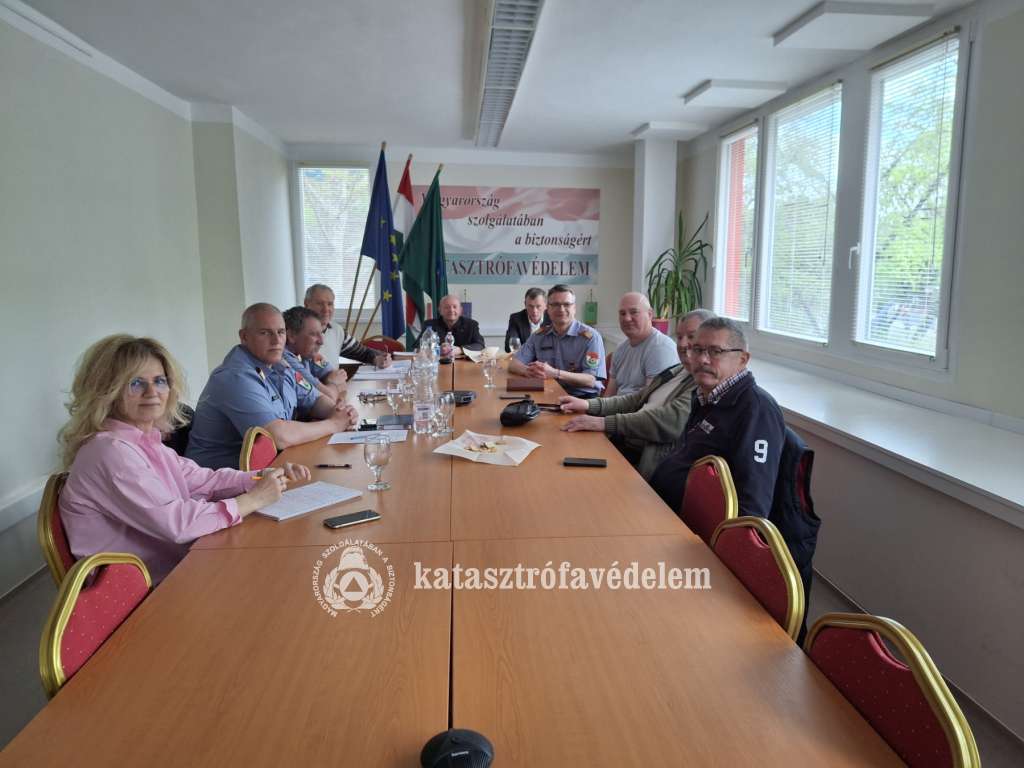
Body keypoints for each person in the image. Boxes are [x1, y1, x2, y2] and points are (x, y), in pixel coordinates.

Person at [58, 335, 310, 584]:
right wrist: (253, 499)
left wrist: (259, 477)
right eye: (136, 383)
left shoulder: (143, 441)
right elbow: (176, 524)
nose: (152, 392)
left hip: (177, 568)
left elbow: (204, 480)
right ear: (107, 391)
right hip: (150, 592)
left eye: (159, 381)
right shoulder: (110, 452)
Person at [187, 303, 359, 470]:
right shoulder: (235, 377)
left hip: (271, 468)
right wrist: (334, 424)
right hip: (223, 480)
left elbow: (316, 400)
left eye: (281, 332)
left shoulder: (280, 365)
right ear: (244, 336)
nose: (276, 340)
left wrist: (340, 412)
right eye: (265, 333)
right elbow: (277, 436)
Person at [649, 317, 785, 519]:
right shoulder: (704, 395)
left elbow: (751, 508)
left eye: (715, 351)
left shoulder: (757, 410)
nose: (703, 359)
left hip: (692, 529)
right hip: (663, 508)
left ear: (743, 359)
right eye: (697, 349)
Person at [558, 310, 713, 480]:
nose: (682, 344)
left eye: (691, 336)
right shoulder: (677, 370)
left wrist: (602, 423)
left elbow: (668, 420)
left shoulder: (701, 382)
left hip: (642, 458)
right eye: (680, 336)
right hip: (623, 438)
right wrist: (588, 405)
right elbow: (636, 399)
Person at [508, 284, 606, 398]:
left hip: (581, 397)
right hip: (548, 394)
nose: (561, 309)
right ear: (548, 309)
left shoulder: (591, 337)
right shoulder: (539, 336)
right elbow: (514, 364)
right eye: (555, 305)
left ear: (574, 308)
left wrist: (555, 373)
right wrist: (530, 371)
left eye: (567, 304)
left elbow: (590, 380)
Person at [604, 292, 679, 397]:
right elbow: (609, 395)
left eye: (634, 312)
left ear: (650, 314)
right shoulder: (620, 349)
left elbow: (651, 400)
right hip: (616, 406)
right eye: (622, 313)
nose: (627, 318)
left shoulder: (661, 348)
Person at [304, 283, 392, 368]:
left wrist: (378, 358)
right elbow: (302, 367)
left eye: (330, 304)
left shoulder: (337, 330)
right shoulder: (298, 333)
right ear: (306, 304)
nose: (326, 309)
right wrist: (329, 376)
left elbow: (362, 352)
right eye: (320, 303)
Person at [283, 306, 348, 403]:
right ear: (292, 336)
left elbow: (341, 380)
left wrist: (338, 397)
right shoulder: (286, 359)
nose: (321, 341)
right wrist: (333, 383)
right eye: (313, 334)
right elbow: (330, 396)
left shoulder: (307, 353)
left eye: (321, 333)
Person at [414, 294, 485, 355]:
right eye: (447, 307)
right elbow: (418, 348)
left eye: (455, 307)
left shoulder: (471, 325)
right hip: (438, 363)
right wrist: (437, 350)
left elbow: (480, 346)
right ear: (440, 310)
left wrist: (460, 350)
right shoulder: (429, 325)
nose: (451, 310)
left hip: (465, 364)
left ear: (460, 310)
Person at [504, 287, 549, 352]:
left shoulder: (553, 318)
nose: (534, 311)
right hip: (525, 357)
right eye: (530, 306)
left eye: (538, 306)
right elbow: (509, 347)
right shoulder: (516, 318)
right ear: (525, 304)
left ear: (546, 305)